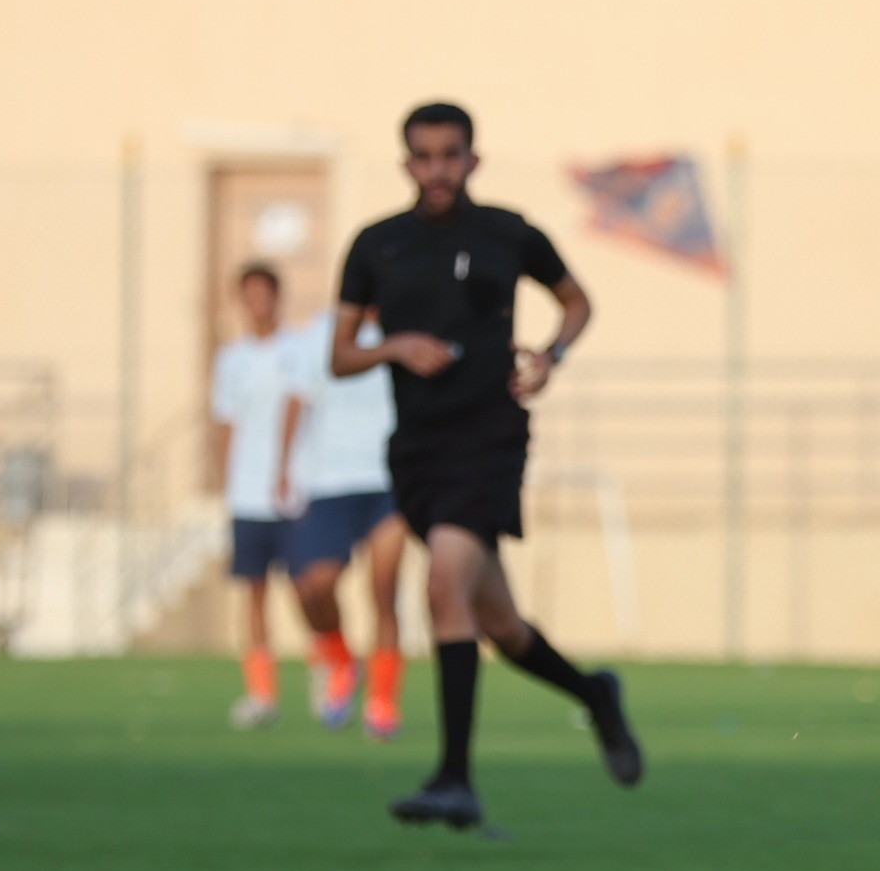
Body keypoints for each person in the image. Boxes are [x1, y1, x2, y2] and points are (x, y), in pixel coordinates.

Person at [332, 101, 640, 827]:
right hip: (417, 451)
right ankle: (595, 695)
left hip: (490, 439)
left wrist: (552, 356)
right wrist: (395, 348)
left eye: (450, 154)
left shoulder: (508, 234)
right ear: (406, 163)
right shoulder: (377, 246)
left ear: (474, 159)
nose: (437, 169)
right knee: (497, 624)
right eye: (424, 156)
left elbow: (576, 301)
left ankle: (453, 778)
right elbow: (339, 355)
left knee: (444, 581)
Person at [282, 312, 409, 738]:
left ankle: (383, 702)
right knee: (315, 584)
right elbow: (298, 400)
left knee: (384, 590)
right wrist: (284, 469)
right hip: (330, 481)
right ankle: (340, 659)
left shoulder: (405, 329)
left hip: (389, 480)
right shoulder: (319, 334)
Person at [210, 262, 308, 730]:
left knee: (309, 587)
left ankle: (327, 672)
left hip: (294, 489)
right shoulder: (231, 359)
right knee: (253, 593)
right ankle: (261, 693)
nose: (257, 302)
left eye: (263, 293)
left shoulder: (299, 349)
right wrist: (225, 481)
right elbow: (227, 421)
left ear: (277, 296)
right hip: (248, 493)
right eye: (248, 294)